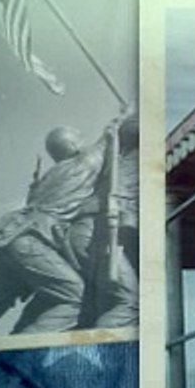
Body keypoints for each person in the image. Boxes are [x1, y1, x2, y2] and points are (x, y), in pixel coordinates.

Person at [0, 123, 107, 336]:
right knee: (75, 297)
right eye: (80, 138)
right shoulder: (84, 163)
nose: (84, 142)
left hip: (6, 238)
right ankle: (19, 354)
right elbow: (110, 135)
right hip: (29, 242)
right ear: (72, 144)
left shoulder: (49, 176)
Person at [68, 111, 138, 328]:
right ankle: (97, 353)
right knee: (130, 302)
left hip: (92, 229)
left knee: (92, 308)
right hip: (101, 230)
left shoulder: (116, 160)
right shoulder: (129, 160)